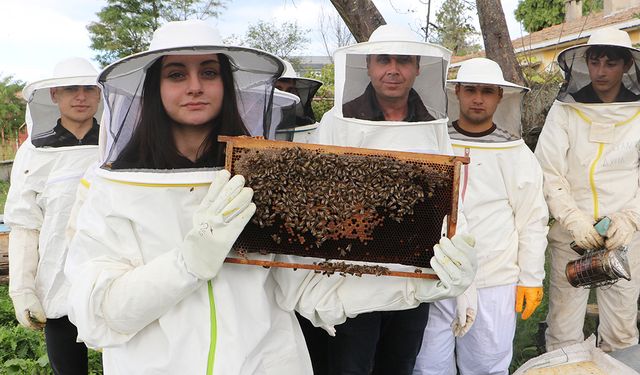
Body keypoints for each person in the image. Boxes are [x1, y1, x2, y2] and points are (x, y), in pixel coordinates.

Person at [63, 20, 477, 374]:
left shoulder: (262, 175)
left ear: (227, 85)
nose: (195, 87)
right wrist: (186, 264)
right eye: (176, 74)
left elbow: (311, 291)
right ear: (154, 88)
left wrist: (418, 287)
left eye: (209, 73)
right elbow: (100, 318)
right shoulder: (111, 188)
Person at [313, 24, 471, 375]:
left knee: (400, 365)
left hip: (413, 278)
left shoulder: (432, 126)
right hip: (352, 279)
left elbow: (450, 198)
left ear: (417, 67)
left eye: (403, 60)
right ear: (368, 65)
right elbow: (318, 196)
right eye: (383, 59)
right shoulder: (337, 121)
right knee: (350, 366)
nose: (393, 69)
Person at [413, 58, 549, 375]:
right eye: (471, 90)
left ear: (499, 96)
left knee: (486, 367)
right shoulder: (435, 144)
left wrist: (530, 279)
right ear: (457, 92)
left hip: (494, 279)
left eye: (487, 91)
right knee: (428, 366)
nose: (478, 98)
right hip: (437, 274)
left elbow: (531, 221)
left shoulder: (517, 154)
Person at [535, 26, 640, 352]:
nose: (601, 71)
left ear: (625, 66)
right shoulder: (565, 110)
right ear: (585, 63)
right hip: (572, 236)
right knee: (563, 329)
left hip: (623, 238)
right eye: (595, 62)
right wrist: (573, 220)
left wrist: (631, 218)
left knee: (621, 331)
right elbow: (549, 171)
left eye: (611, 63)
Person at [4, 57, 101, 375]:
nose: (81, 96)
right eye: (71, 88)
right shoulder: (33, 152)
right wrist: (22, 289)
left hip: (110, 280)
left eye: (89, 88)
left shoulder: (117, 146)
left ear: (100, 95)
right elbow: (24, 224)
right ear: (54, 94)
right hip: (57, 283)